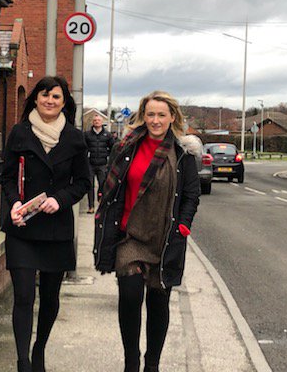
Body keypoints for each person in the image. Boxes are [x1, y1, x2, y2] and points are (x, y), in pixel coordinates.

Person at [93, 91, 201, 372]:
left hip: (164, 239)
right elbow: (111, 187)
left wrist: (183, 226)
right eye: (150, 114)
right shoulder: (126, 147)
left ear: (172, 117)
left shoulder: (183, 154)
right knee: (129, 296)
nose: (155, 120)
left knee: (158, 302)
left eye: (161, 115)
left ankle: (151, 364)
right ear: (143, 116)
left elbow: (191, 196)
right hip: (130, 236)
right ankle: (131, 361)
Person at [0, 76, 91, 372]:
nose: (49, 101)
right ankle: (23, 362)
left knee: (50, 297)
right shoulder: (19, 133)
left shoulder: (75, 138)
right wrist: (14, 201)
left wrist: (61, 200)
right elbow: (8, 176)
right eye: (44, 95)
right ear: (35, 99)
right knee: (24, 295)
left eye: (56, 97)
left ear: (65, 102)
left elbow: (83, 183)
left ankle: (39, 349)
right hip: (23, 227)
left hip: (57, 229)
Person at [84, 113, 115, 213]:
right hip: (90, 164)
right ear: (93, 122)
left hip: (102, 164)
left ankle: (101, 201)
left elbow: (113, 148)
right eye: (95, 120)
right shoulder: (87, 134)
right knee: (90, 185)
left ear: (102, 122)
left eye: (98, 120)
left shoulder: (108, 135)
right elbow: (83, 148)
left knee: (103, 184)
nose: (97, 122)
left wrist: (109, 160)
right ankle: (91, 206)